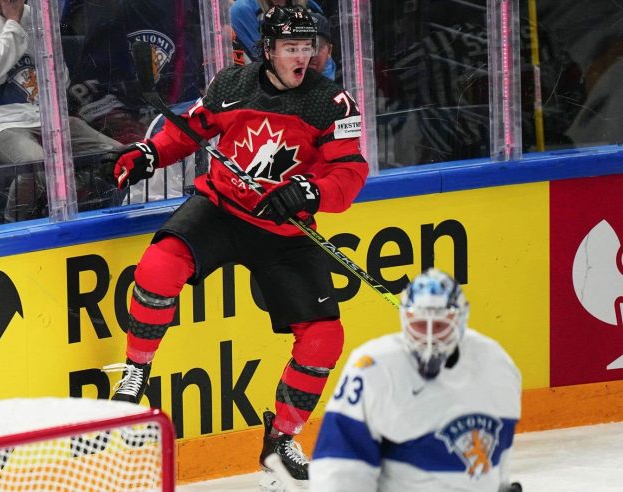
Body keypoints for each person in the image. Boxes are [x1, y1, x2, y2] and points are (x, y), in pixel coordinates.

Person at [100, 5, 368, 487]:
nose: (302, 57)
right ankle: (136, 373)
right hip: (221, 209)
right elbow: (190, 132)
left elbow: (350, 174)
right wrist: (150, 153)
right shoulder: (231, 85)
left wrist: (312, 191)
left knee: (325, 338)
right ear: (267, 50)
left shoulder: (332, 104)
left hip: (284, 231)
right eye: (291, 49)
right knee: (159, 267)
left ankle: (282, 438)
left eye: (308, 48)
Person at [309, 269, 523, 492]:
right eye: (420, 325)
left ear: (460, 320)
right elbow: (340, 464)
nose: (429, 339)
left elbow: (499, 456)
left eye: (439, 326)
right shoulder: (373, 368)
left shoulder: (496, 364)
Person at [0, 0, 124, 222]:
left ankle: (83, 209)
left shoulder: (34, 15)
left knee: (120, 154)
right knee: (35, 164)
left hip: (46, 116)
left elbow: (60, 80)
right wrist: (13, 21)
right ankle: (13, 228)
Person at [309, 12, 335, 80]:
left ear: (329, 51)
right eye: (306, 46)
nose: (312, 54)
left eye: (319, 46)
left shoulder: (341, 85)